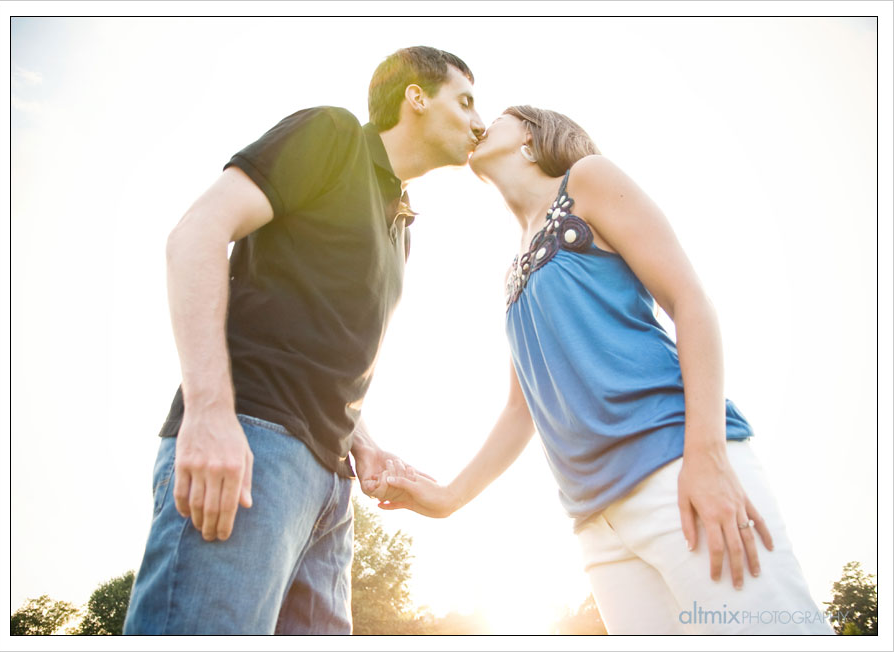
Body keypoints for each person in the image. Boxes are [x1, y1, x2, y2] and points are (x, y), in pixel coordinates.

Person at [373, 106, 834, 634]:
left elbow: (689, 301)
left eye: (496, 114)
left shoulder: (588, 180)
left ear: (531, 135)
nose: (480, 120)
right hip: (596, 522)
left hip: (675, 468)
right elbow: (519, 410)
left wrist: (704, 456)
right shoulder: (510, 271)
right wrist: (448, 498)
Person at [122, 46, 485, 635]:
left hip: (330, 494)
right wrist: (212, 412)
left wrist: (362, 440)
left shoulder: (402, 226)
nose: (478, 121)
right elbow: (196, 235)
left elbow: (313, 342)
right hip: (251, 447)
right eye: (466, 101)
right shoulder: (333, 134)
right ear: (415, 97)